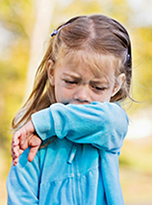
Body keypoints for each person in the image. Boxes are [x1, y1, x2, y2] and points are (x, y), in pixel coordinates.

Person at [7, 14, 132, 205]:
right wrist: (41, 129)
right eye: (71, 82)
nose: (82, 95)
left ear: (116, 86)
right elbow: (20, 199)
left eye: (97, 87)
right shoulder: (31, 143)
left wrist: (47, 122)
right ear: (52, 72)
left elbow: (109, 120)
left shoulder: (111, 125)